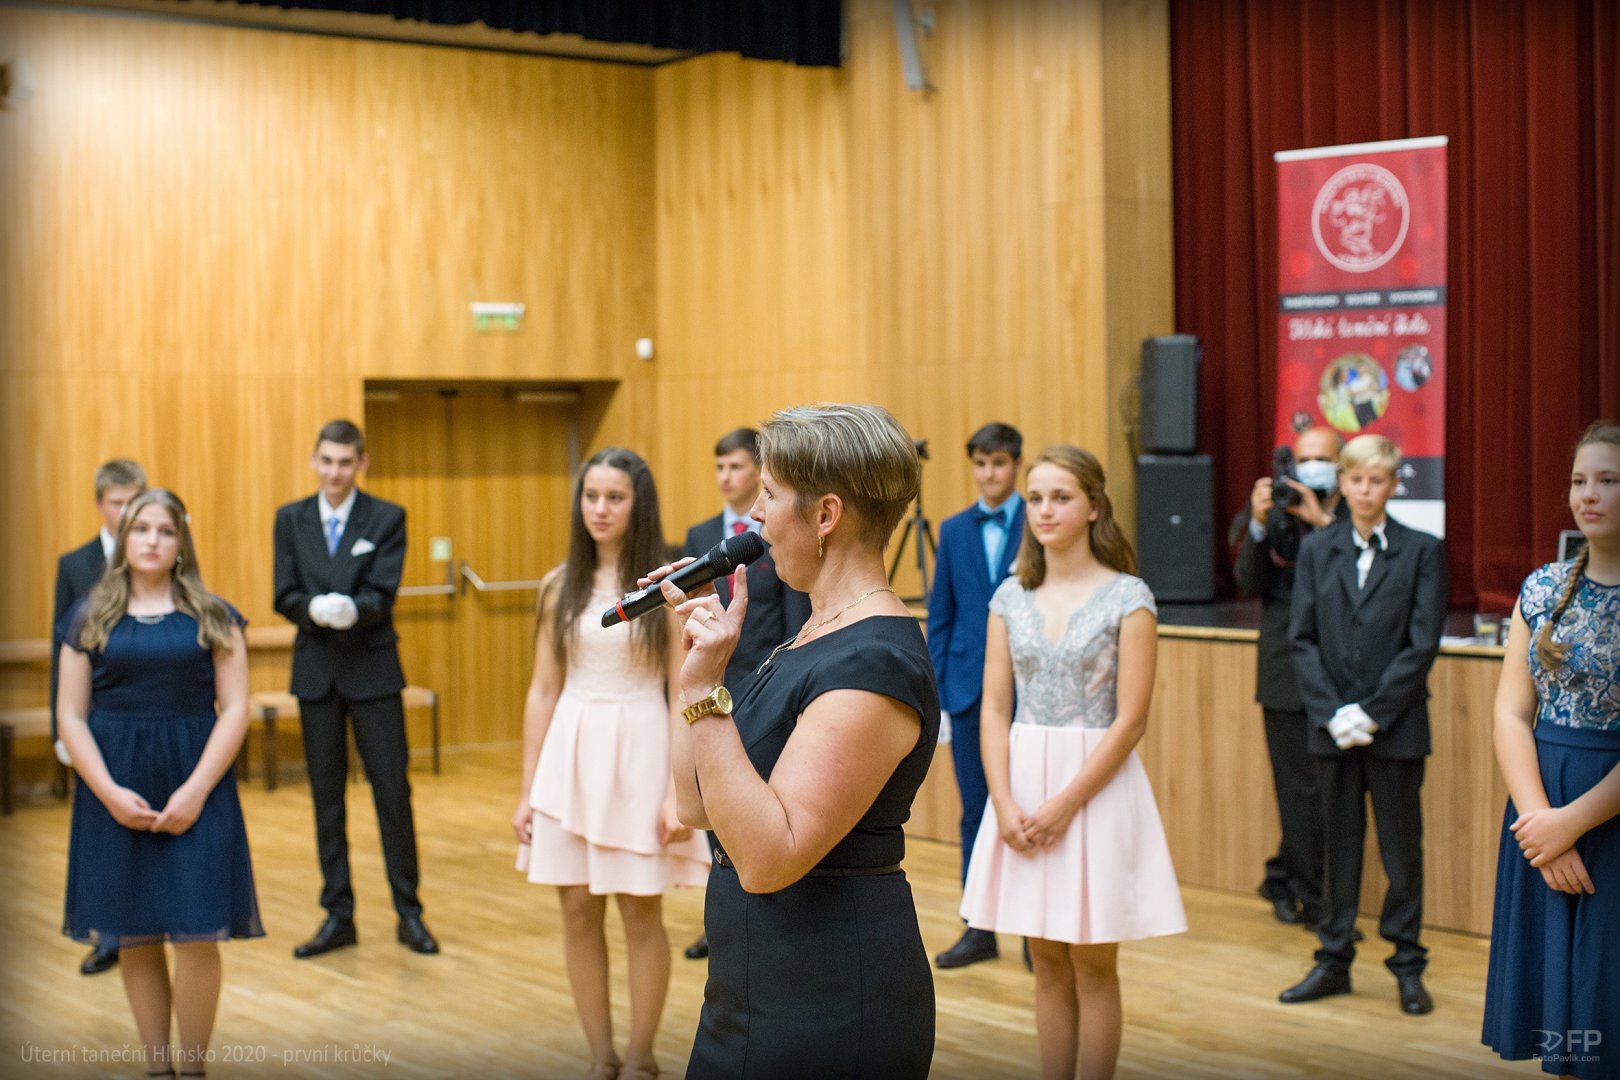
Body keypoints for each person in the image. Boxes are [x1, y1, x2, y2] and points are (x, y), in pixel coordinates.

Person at [658, 403, 939, 1078]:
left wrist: (708, 692)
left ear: (825, 515)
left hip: (831, 998)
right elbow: (695, 806)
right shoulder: (810, 635)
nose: (754, 516)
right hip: (753, 989)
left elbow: (768, 858)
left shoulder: (875, 661)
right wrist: (693, 667)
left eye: (770, 494)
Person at [960, 445, 1186, 1080]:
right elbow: (994, 708)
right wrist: (1003, 801)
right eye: (1035, 498)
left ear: (1093, 507)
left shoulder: (1129, 597)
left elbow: (1131, 721)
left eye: (1061, 497)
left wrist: (1063, 805)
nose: (1044, 510)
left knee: (1092, 961)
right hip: (1021, 781)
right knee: (1046, 958)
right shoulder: (1010, 597)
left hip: (1096, 787)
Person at [513, 447, 710, 1080]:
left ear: (637, 504)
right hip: (570, 752)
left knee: (640, 911)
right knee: (576, 912)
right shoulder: (558, 585)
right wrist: (527, 790)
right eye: (591, 496)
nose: (600, 508)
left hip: (640, 752)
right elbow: (543, 690)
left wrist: (677, 792)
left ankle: (641, 1058)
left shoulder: (666, 586)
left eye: (615, 497)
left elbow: (681, 692)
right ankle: (601, 1058)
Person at [58, 488, 262, 1078]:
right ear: (123, 538)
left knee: (198, 933)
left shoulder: (215, 616)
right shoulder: (89, 616)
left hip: (197, 785)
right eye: (141, 528)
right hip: (117, 791)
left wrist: (196, 790)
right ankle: (158, 1068)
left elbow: (236, 708)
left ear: (181, 543)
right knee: (136, 933)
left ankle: (193, 1070)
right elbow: (70, 715)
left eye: (165, 531)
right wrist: (108, 792)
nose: (152, 540)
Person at [1281, 433, 1446, 1015]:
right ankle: (1333, 959)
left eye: (1376, 480)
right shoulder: (1317, 549)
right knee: (1337, 845)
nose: (1365, 490)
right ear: (1342, 482)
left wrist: (1372, 713)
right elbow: (1301, 638)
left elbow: (1421, 643)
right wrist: (1333, 713)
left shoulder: (1423, 550)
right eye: (1355, 480)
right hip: (1331, 730)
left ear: (1393, 484)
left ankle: (1407, 963)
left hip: (1395, 729)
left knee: (1401, 851)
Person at [1483, 420, 1620, 1079]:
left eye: (1608, 480)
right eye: (1578, 480)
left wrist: (1573, 824)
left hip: (1605, 814)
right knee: (1564, 1033)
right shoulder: (1541, 588)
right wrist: (1542, 824)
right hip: (1541, 806)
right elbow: (1511, 713)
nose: (1587, 494)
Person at [273, 419, 437, 958]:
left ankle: (409, 913)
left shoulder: (385, 517)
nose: (335, 472)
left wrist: (353, 609)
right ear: (314, 461)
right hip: (316, 673)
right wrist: (312, 609)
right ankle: (337, 914)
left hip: (372, 669)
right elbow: (283, 592)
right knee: (326, 797)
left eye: (346, 462)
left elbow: (382, 593)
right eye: (327, 461)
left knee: (392, 792)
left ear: (361, 463)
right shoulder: (290, 519)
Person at [678, 427, 810, 960]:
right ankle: (724, 909)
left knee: (761, 799)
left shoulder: (776, 533)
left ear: (756, 472)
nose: (726, 477)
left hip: (764, 679)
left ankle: (768, 899)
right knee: (712, 797)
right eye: (719, 468)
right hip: (717, 678)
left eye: (736, 466)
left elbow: (793, 613)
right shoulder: (699, 533)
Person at [1230, 428, 1345, 927]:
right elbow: (1248, 582)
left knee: (1332, 793)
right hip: (1285, 675)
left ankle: (1282, 876)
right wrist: (1259, 525)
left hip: (1342, 675)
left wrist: (1321, 523)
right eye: (1304, 458)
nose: (1312, 466)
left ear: (1341, 465)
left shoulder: (1352, 514)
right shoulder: (1271, 510)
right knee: (1299, 792)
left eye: (1322, 458)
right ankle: (1314, 902)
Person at [929, 421, 1024, 969]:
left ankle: (1035, 930)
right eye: (981, 464)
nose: (989, 474)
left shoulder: (1037, 521)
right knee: (975, 811)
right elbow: (941, 616)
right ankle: (979, 925)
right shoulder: (954, 529)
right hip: (967, 689)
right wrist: (939, 694)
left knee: (1028, 805)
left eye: (999, 463)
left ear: (1016, 465)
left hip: (1028, 691)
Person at [52, 457, 147, 977]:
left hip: (146, 716)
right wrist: (61, 729)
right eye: (117, 503)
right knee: (103, 832)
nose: (126, 512)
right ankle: (108, 934)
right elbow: (62, 649)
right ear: (99, 504)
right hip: (96, 720)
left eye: (135, 501)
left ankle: (145, 925)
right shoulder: (75, 565)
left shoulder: (160, 554)